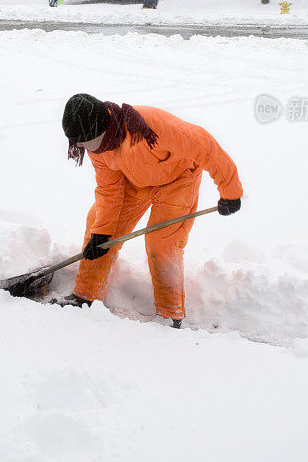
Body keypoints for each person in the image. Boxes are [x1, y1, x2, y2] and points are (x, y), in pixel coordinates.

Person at [54, 93, 243, 328]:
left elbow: (206, 148)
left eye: (82, 140)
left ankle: (170, 313)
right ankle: (85, 295)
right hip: (135, 183)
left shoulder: (152, 127)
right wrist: (101, 233)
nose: (78, 146)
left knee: (161, 244)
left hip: (178, 181)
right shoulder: (98, 147)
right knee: (98, 225)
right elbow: (109, 189)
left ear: (99, 130)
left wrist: (230, 191)